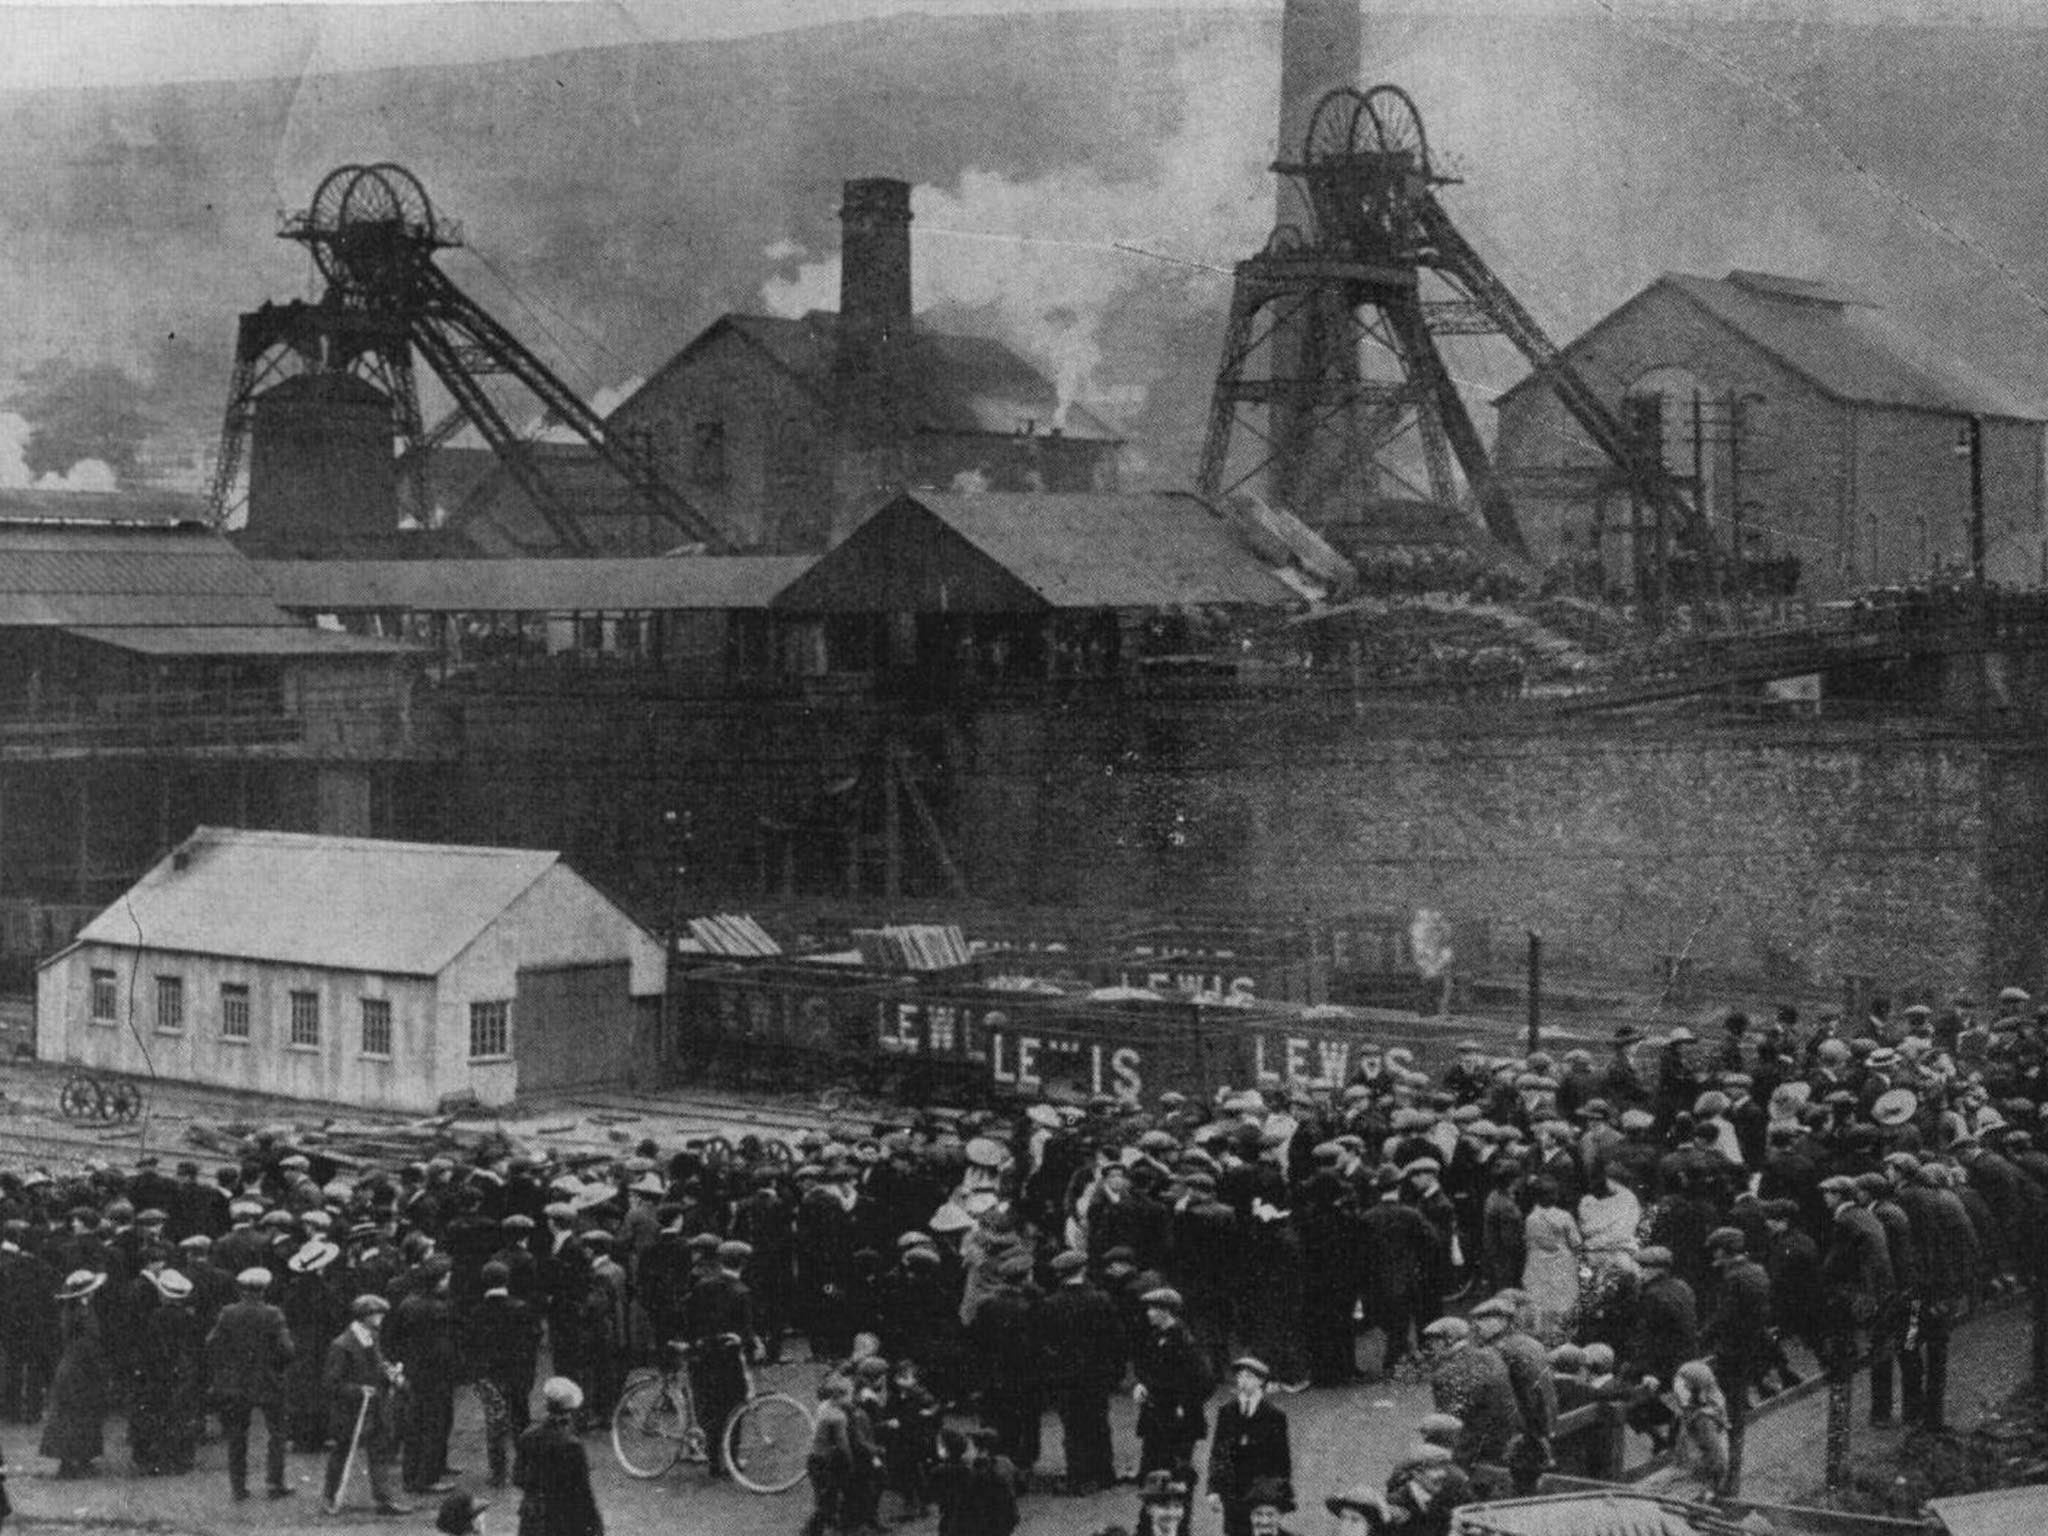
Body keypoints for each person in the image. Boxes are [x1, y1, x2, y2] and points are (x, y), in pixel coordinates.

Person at [206, 1265, 296, 1502]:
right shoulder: (273, 1314)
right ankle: (275, 1482)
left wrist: (228, 1366)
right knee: (277, 1433)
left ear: (241, 1290)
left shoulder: (228, 1313)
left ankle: (238, 1487)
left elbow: (212, 1343)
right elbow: (287, 1350)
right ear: (264, 1290)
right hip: (268, 1381)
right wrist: (274, 1366)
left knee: (237, 1436)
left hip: (237, 1382)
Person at [322, 1293, 408, 1516]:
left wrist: (391, 1375)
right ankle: (330, 1496)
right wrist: (358, 1390)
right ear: (365, 1316)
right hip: (352, 1411)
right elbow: (332, 1383)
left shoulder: (372, 1337)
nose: (381, 1318)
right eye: (377, 1314)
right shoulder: (342, 1345)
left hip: (376, 1407)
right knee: (342, 1453)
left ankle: (384, 1499)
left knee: (380, 1451)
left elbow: (378, 1363)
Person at [1206, 1356, 1293, 1536]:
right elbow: (1218, 1452)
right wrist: (1213, 1489)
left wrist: (1279, 1496)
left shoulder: (1274, 1416)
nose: (1243, 1381)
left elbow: (1282, 1461)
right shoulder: (1227, 1411)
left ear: (1261, 1381)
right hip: (1232, 1494)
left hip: (1260, 1495)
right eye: (1240, 1376)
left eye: (1249, 1376)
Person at [1131, 1287, 1211, 1478]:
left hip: (1176, 1414)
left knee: (1175, 1473)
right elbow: (1149, 1368)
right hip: (1157, 1412)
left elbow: (1203, 1380)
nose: (1148, 1313)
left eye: (1152, 1309)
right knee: (1153, 1470)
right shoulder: (1156, 1336)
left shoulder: (1184, 1341)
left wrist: (1185, 1404)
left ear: (1165, 1311)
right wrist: (1142, 1384)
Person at [40, 1269, 109, 1479]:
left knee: (73, 1414)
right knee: (77, 1413)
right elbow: (88, 1343)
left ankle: (74, 1460)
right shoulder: (82, 1313)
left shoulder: (73, 1311)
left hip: (73, 1366)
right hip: (80, 1368)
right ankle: (73, 1462)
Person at [514, 1377, 603, 1536]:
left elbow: (517, 1477)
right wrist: (595, 1525)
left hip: (533, 1516)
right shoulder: (573, 1446)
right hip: (563, 1519)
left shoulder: (527, 1436)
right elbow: (583, 1492)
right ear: (571, 1412)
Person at [931, 1425, 1020, 1536]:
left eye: (970, 1447)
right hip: (1004, 1520)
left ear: (979, 1449)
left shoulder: (977, 1472)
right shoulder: (1004, 1463)